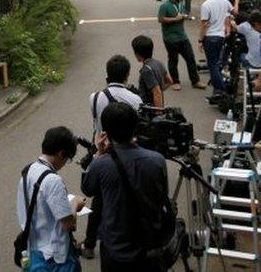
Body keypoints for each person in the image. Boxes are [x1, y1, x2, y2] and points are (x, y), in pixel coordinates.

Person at [82, 103, 169, 272]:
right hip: (149, 245)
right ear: (135, 126)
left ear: (106, 132)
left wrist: (98, 154)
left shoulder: (101, 165)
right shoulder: (157, 160)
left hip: (115, 248)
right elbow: (161, 195)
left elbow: (87, 188)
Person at [81, 55, 143, 259]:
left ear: (107, 74)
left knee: (99, 199)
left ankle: (89, 244)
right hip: (127, 150)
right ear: (127, 74)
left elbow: (95, 122)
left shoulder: (95, 97)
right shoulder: (136, 100)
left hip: (103, 151)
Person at [16, 127, 85, 271]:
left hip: (32, 250)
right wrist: (75, 204)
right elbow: (68, 224)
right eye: (67, 158)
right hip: (53, 258)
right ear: (61, 154)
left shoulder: (28, 171)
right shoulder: (53, 181)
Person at [157, 0, 206, 90]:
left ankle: (195, 81)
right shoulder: (165, 6)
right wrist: (175, 19)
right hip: (170, 38)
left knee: (190, 58)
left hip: (182, 36)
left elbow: (182, 15)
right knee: (173, 60)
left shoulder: (180, 4)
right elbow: (161, 19)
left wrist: (185, 17)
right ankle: (175, 82)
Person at [198, 0, 233, 97]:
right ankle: (218, 84)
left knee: (212, 64)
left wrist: (200, 40)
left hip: (211, 36)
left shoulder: (206, 5)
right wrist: (227, 26)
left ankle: (220, 88)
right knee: (218, 61)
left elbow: (204, 24)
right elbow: (231, 13)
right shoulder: (223, 0)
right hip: (221, 36)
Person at [131, 35, 175, 106]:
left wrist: (158, 112)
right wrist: (160, 88)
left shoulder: (146, 70)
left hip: (150, 108)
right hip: (159, 104)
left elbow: (156, 91)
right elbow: (169, 82)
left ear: (137, 54)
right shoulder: (158, 63)